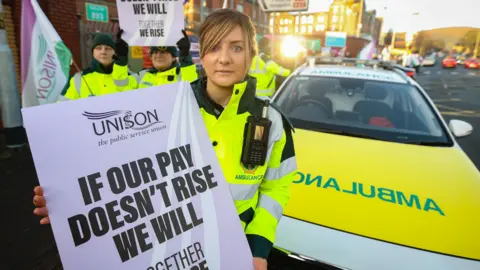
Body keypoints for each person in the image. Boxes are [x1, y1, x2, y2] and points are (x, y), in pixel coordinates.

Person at [33, 8, 297, 270]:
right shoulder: (165, 110)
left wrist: (258, 248)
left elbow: (275, 190)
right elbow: (124, 170)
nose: (224, 59)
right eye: (214, 47)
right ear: (202, 55)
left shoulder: (272, 123)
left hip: (234, 250)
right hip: (167, 248)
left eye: (237, 48)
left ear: (251, 54)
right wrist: (69, 202)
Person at [58, 30, 137, 101]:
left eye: (108, 48)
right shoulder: (78, 79)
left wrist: (121, 65)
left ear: (115, 52)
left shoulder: (130, 77)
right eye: (98, 48)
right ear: (93, 52)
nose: (103, 52)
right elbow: (63, 108)